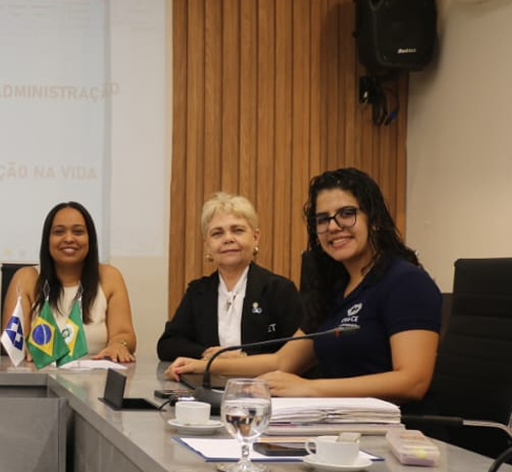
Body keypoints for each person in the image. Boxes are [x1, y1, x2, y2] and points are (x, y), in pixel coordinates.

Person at [166, 168, 442, 400]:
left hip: (392, 433)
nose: (333, 226)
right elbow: (282, 361)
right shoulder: (334, 291)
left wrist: (310, 388)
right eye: (323, 219)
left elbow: (412, 382)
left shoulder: (406, 281)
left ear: (375, 220)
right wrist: (204, 365)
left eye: (347, 213)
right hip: (336, 425)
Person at [157, 193, 302, 361]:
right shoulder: (198, 292)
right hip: (209, 377)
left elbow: (299, 351)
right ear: (207, 245)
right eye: (217, 233)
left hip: (265, 378)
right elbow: (168, 344)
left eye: (237, 230)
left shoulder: (279, 290)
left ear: (255, 238)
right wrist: (208, 354)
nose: (228, 239)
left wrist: (243, 357)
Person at [2, 201, 137, 365]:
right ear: (47, 239)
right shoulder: (26, 278)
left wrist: (119, 345)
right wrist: (23, 348)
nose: (68, 239)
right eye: (59, 232)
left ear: (90, 239)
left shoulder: (109, 276)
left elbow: (124, 334)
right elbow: (13, 339)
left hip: (95, 376)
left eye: (78, 232)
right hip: (37, 374)